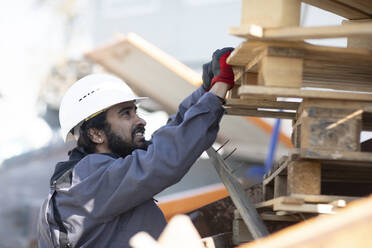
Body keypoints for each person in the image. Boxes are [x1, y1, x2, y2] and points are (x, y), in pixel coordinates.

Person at [37, 47, 234, 248]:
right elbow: (162, 159)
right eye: (126, 114)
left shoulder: (88, 177)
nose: (140, 121)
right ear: (96, 134)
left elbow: (162, 144)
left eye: (135, 112)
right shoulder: (86, 184)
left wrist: (206, 91)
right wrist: (217, 91)